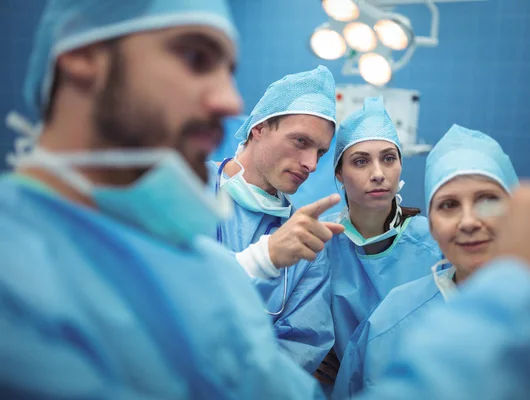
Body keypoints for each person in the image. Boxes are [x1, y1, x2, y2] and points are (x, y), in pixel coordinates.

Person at [0, 1, 324, 397]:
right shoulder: (15, 262)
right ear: (83, 57)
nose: (230, 102)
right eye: (195, 57)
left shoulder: (202, 266)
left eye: (228, 72)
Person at [333, 125, 530, 399]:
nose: (469, 222)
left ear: (516, 213)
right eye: (449, 205)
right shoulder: (390, 319)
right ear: (431, 226)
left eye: (488, 201)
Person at [207, 66, 344, 373]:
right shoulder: (187, 188)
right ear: (259, 127)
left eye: (320, 152)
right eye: (300, 142)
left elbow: (300, 346)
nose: (310, 164)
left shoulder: (305, 242)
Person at [318, 97, 442, 371]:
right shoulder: (319, 241)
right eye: (361, 161)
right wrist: (309, 355)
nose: (378, 174)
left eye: (388, 158)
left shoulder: (434, 242)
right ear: (339, 173)